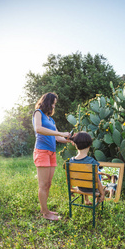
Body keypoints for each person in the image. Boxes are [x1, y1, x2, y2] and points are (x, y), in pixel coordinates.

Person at [33, 92, 71, 221]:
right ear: (47, 102)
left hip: (52, 153)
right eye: (53, 103)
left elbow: (57, 138)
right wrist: (60, 132)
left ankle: (46, 210)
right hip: (42, 151)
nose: (54, 106)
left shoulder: (51, 120)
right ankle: (45, 213)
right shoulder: (38, 113)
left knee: (48, 184)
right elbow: (38, 129)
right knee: (43, 184)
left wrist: (69, 139)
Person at [69, 131, 105, 204]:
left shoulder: (71, 161)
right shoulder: (92, 162)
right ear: (89, 146)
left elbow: (70, 178)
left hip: (80, 187)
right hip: (92, 188)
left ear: (75, 145)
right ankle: (96, 202)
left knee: (84, 175)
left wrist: (70, 189)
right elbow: (97, 181)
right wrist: (102, 193)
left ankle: (86, 200)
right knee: (95, 173)